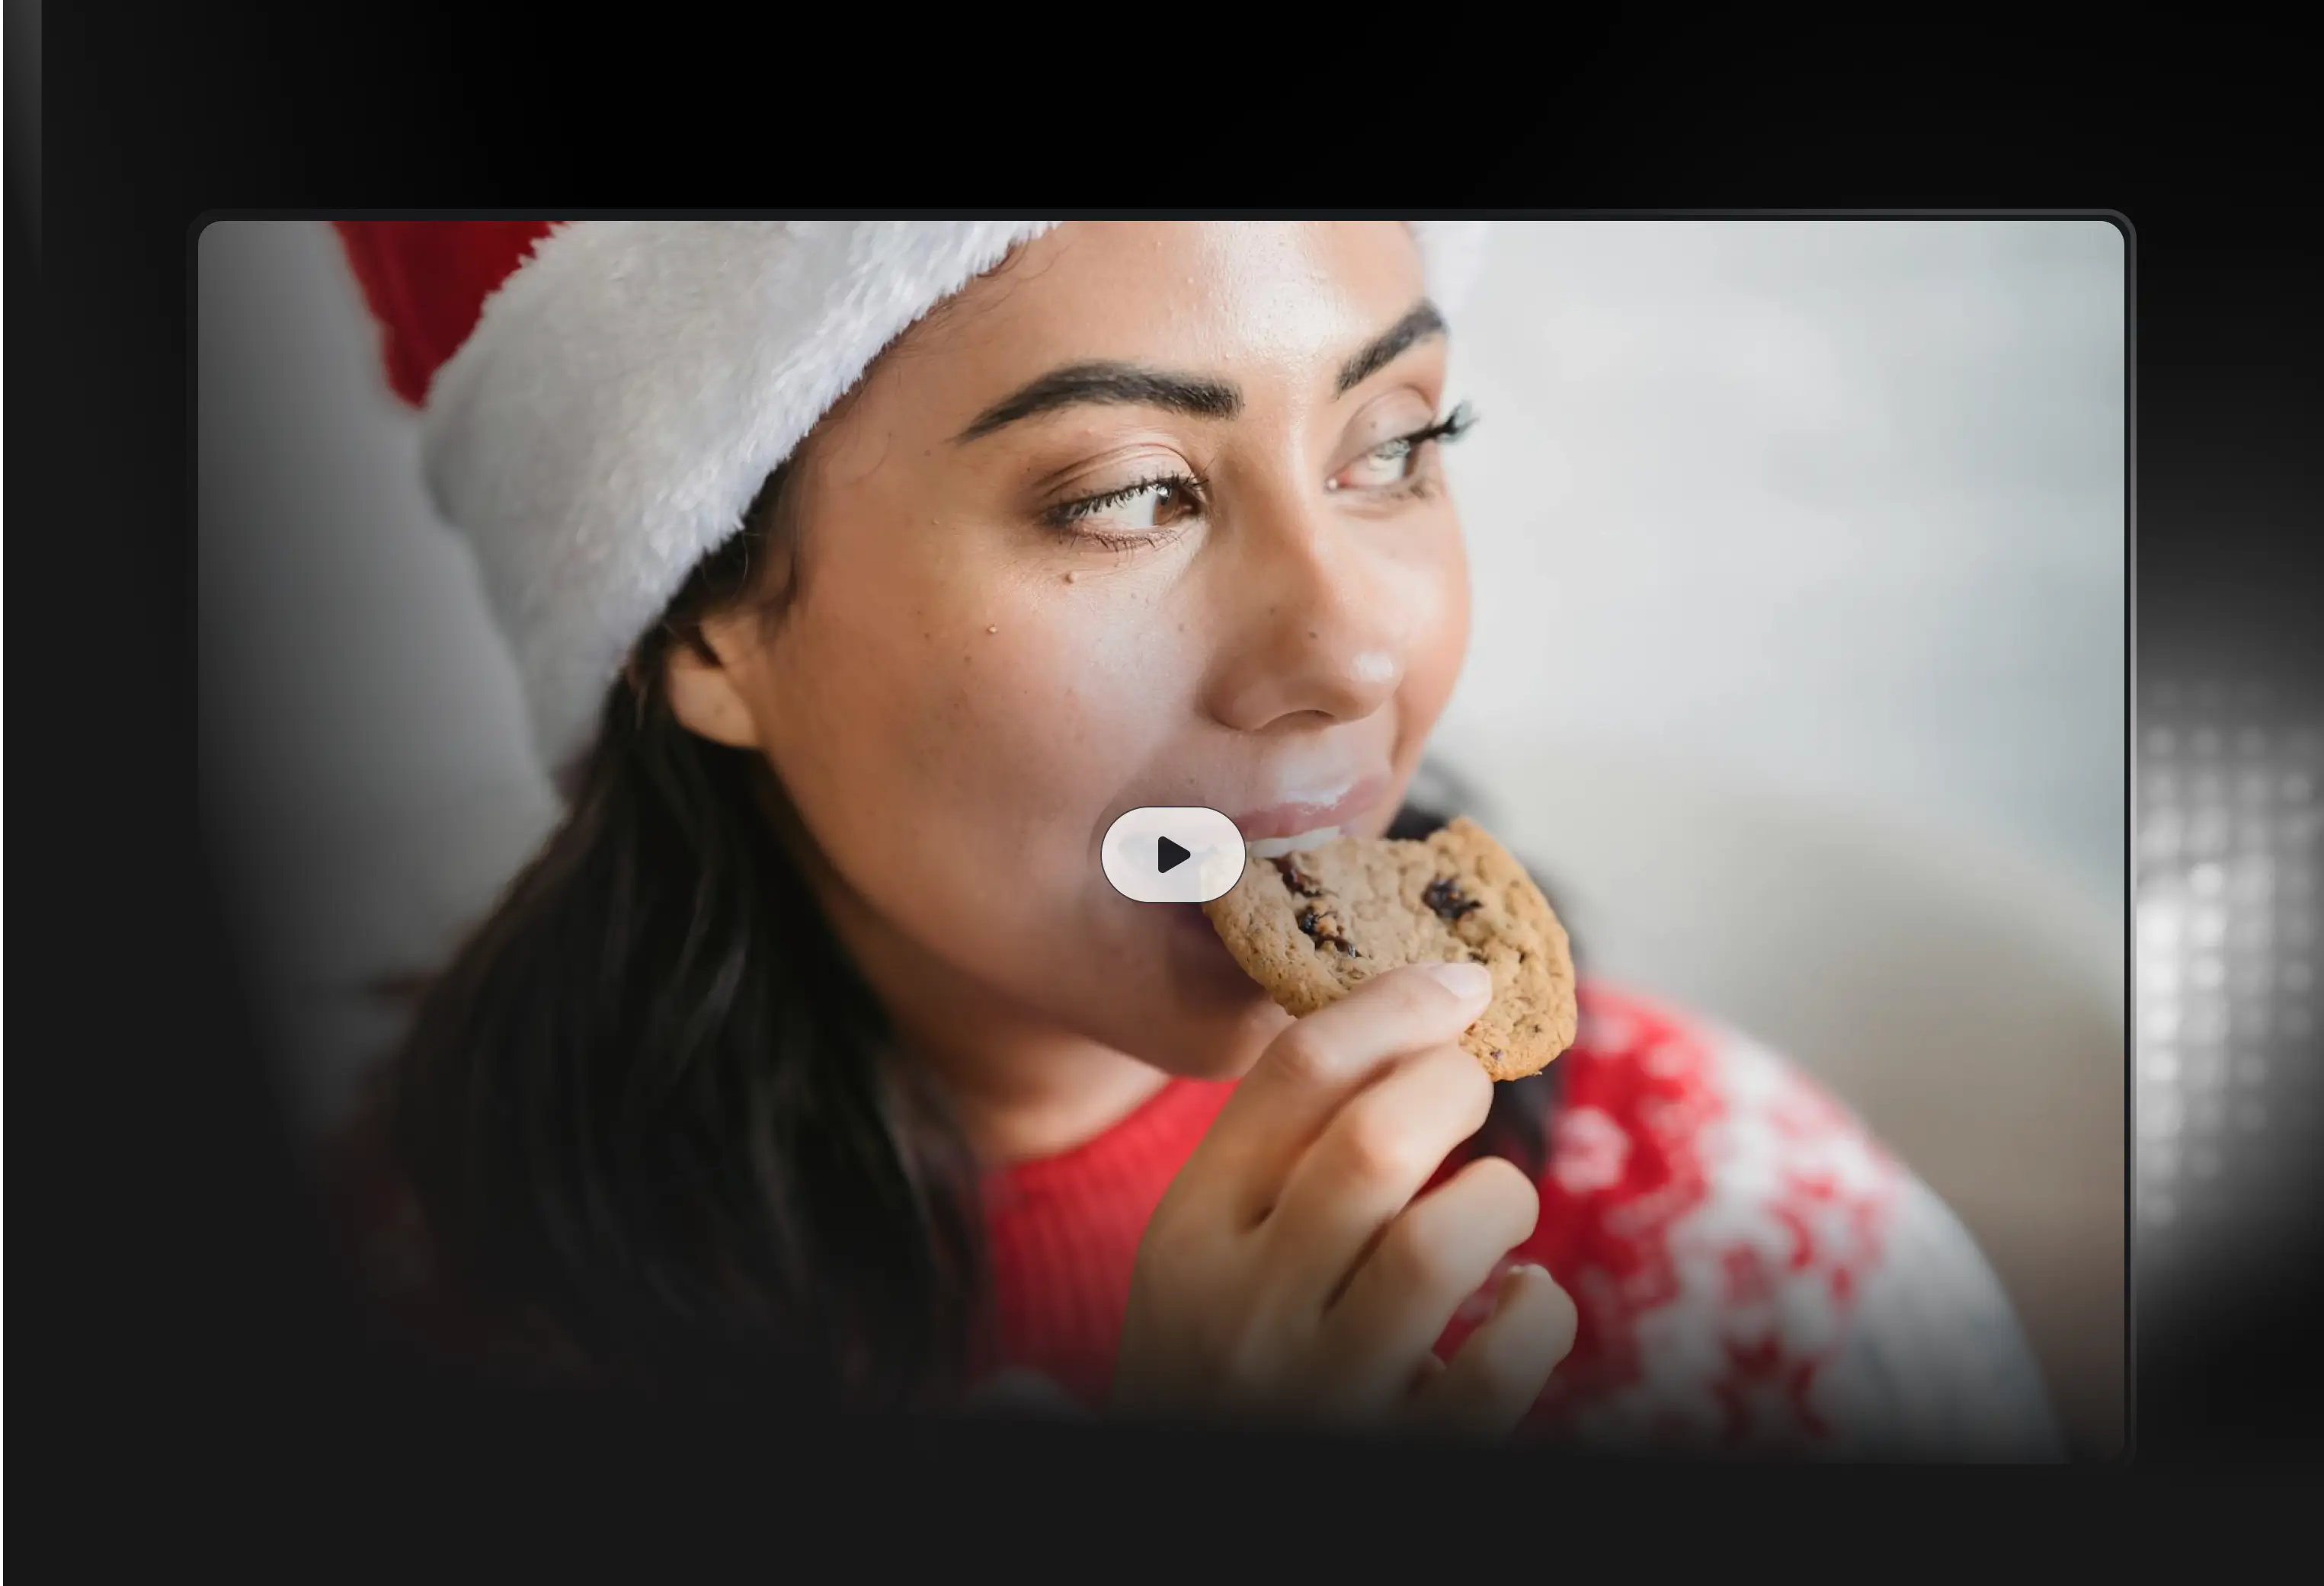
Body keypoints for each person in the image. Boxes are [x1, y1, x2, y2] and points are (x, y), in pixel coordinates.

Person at [319, 219, 2063, 1460]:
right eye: (1129, 492)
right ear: (701, 626)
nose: (1347, 657)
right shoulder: (386, 1311)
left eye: (1398, 447)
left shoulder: (1758, 1285)